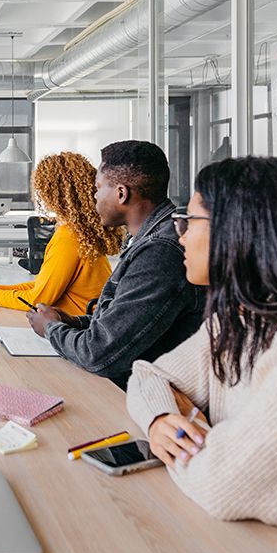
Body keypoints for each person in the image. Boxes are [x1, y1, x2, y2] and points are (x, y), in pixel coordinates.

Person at [127, 156, 277, 553]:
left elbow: (225, 483)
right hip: (251, 547)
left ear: (241, 230)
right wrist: (162, 420)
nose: (179, 235)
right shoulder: (243, 317)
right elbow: (148, 375)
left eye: (190, 220)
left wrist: (188, 444)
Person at [25, 140, 206, 389]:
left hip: (138, 394)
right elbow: (121, 325)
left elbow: (99, 354)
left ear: (121, 193)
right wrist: (74, 322)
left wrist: (50, 329)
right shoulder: (146, 239)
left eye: (99, 188)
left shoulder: (160, 253)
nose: (94, 195)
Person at [0, 152, 123, 315]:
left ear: (52, 192)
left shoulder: (70, 236)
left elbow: (38, 299)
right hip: (83, 324)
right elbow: (39, 288)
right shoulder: (80, 231)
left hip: (80, 330)